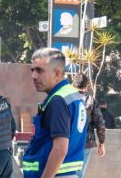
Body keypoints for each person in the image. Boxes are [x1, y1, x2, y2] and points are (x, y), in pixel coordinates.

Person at [23, 48, 87, 178]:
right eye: (33, 70)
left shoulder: (58, 101)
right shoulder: (72, 95)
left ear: (57, 74)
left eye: (39, 70)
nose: (33, 76)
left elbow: (60, 149)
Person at [72, 73, 106, 178]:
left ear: (73, 85)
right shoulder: (91, 100)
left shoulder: (66, 99)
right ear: (86, 87)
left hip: (67, 142)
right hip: (85, 143)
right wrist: (102, 143)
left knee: (66, 172)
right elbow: (100, 122)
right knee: (79, 173)